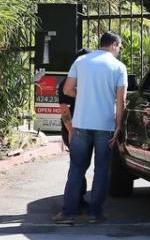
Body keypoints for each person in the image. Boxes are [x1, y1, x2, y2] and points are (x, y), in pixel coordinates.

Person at [53, 32, 127, 225]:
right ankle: (95, 213)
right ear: (113, 44)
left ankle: (68, 212)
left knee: (76, 168)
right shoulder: (119, 67)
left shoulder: (81, 61)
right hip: (105, 125)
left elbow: (67, 90)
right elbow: (121, 100)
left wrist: (84, 93)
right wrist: (119, 124)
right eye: (119, 46)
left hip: (80, 124)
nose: (119, 50)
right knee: (102, 169)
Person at [58, 48, 91, 213]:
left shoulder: (86, 81)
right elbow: (65, 110)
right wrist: (71, 131)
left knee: (82, 164)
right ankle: (73, 202)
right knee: (78, 165)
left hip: (83, 128)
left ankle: (79, 197)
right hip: (73, 129)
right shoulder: (67, 83)